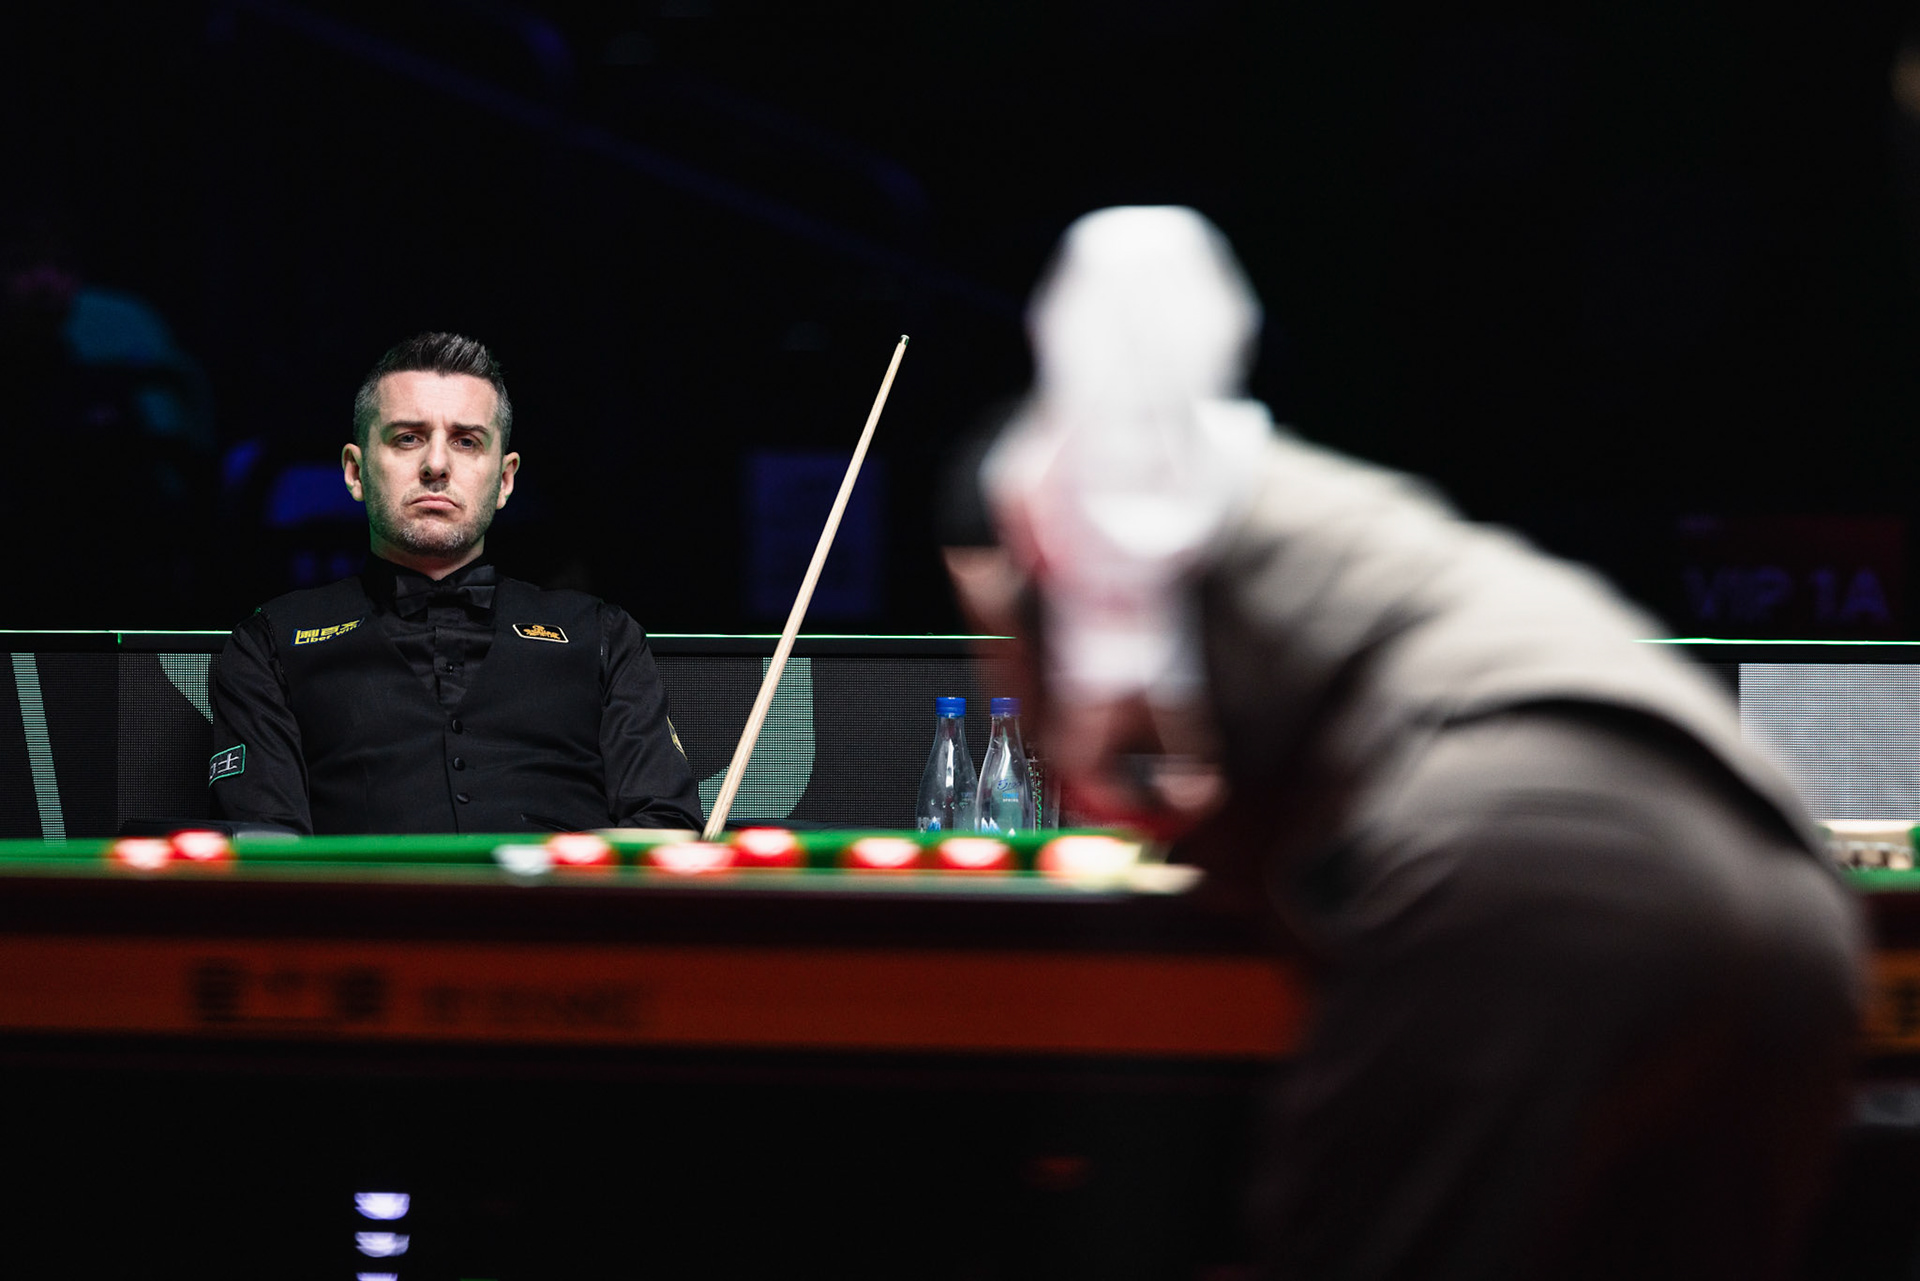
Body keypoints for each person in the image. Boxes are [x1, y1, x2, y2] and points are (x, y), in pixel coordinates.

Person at [952, 207, 1863, 1280]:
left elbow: (1136, 776)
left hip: (1530, 856)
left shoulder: (1067, 492)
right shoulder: (1310, 505)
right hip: (1795, 905)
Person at [208, 332, 702, 835]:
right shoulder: (270, 643)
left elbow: (665, 830)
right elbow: (266, 850)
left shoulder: (603, 636)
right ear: (355, 472)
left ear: (505, 480)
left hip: (560, 910)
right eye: (407, 438)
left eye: (466, 441)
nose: (437, 465)